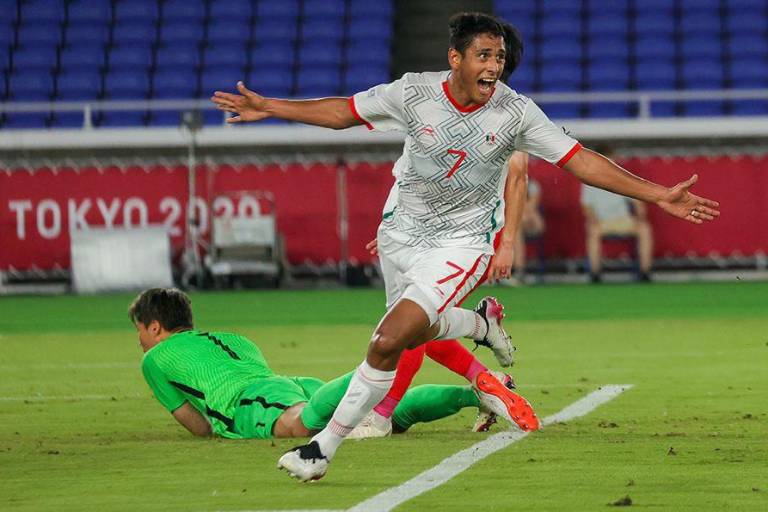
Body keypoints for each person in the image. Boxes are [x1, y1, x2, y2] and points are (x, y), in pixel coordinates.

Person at [211, 12, 719, 481]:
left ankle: (322, 448)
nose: (494, 67)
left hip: (461, 242)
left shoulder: (516, 113)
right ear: (455, 59)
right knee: (414, 335)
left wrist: (658, 195)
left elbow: (578, 159)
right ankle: (480, 323)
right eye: (484, 56)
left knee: (388, 339)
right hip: (400, 234)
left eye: (499, 58)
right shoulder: (412, 94)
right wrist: (269, 106)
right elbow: (344, 112)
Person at [129, 288, 513, 443]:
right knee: (390, 416)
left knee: (298, 427)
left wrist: (217, 424)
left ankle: (382, 362)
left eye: (140, 331)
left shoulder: (154, 358)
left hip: (254, 399)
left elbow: (198, 426)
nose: (140, 340)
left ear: (155, 327)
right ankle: (476, 392)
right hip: (293, 385)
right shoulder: (233, 339)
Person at [581, 148, 654, 282]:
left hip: (623, 221)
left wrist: (640, 212)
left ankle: (645, 272)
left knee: (644, 228)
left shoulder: (622, 178)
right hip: (602, 223)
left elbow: (637, 199)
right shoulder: (588, 181)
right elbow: (587, 207)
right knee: (593, 230)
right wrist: (593, 220)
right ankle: (595, 273)